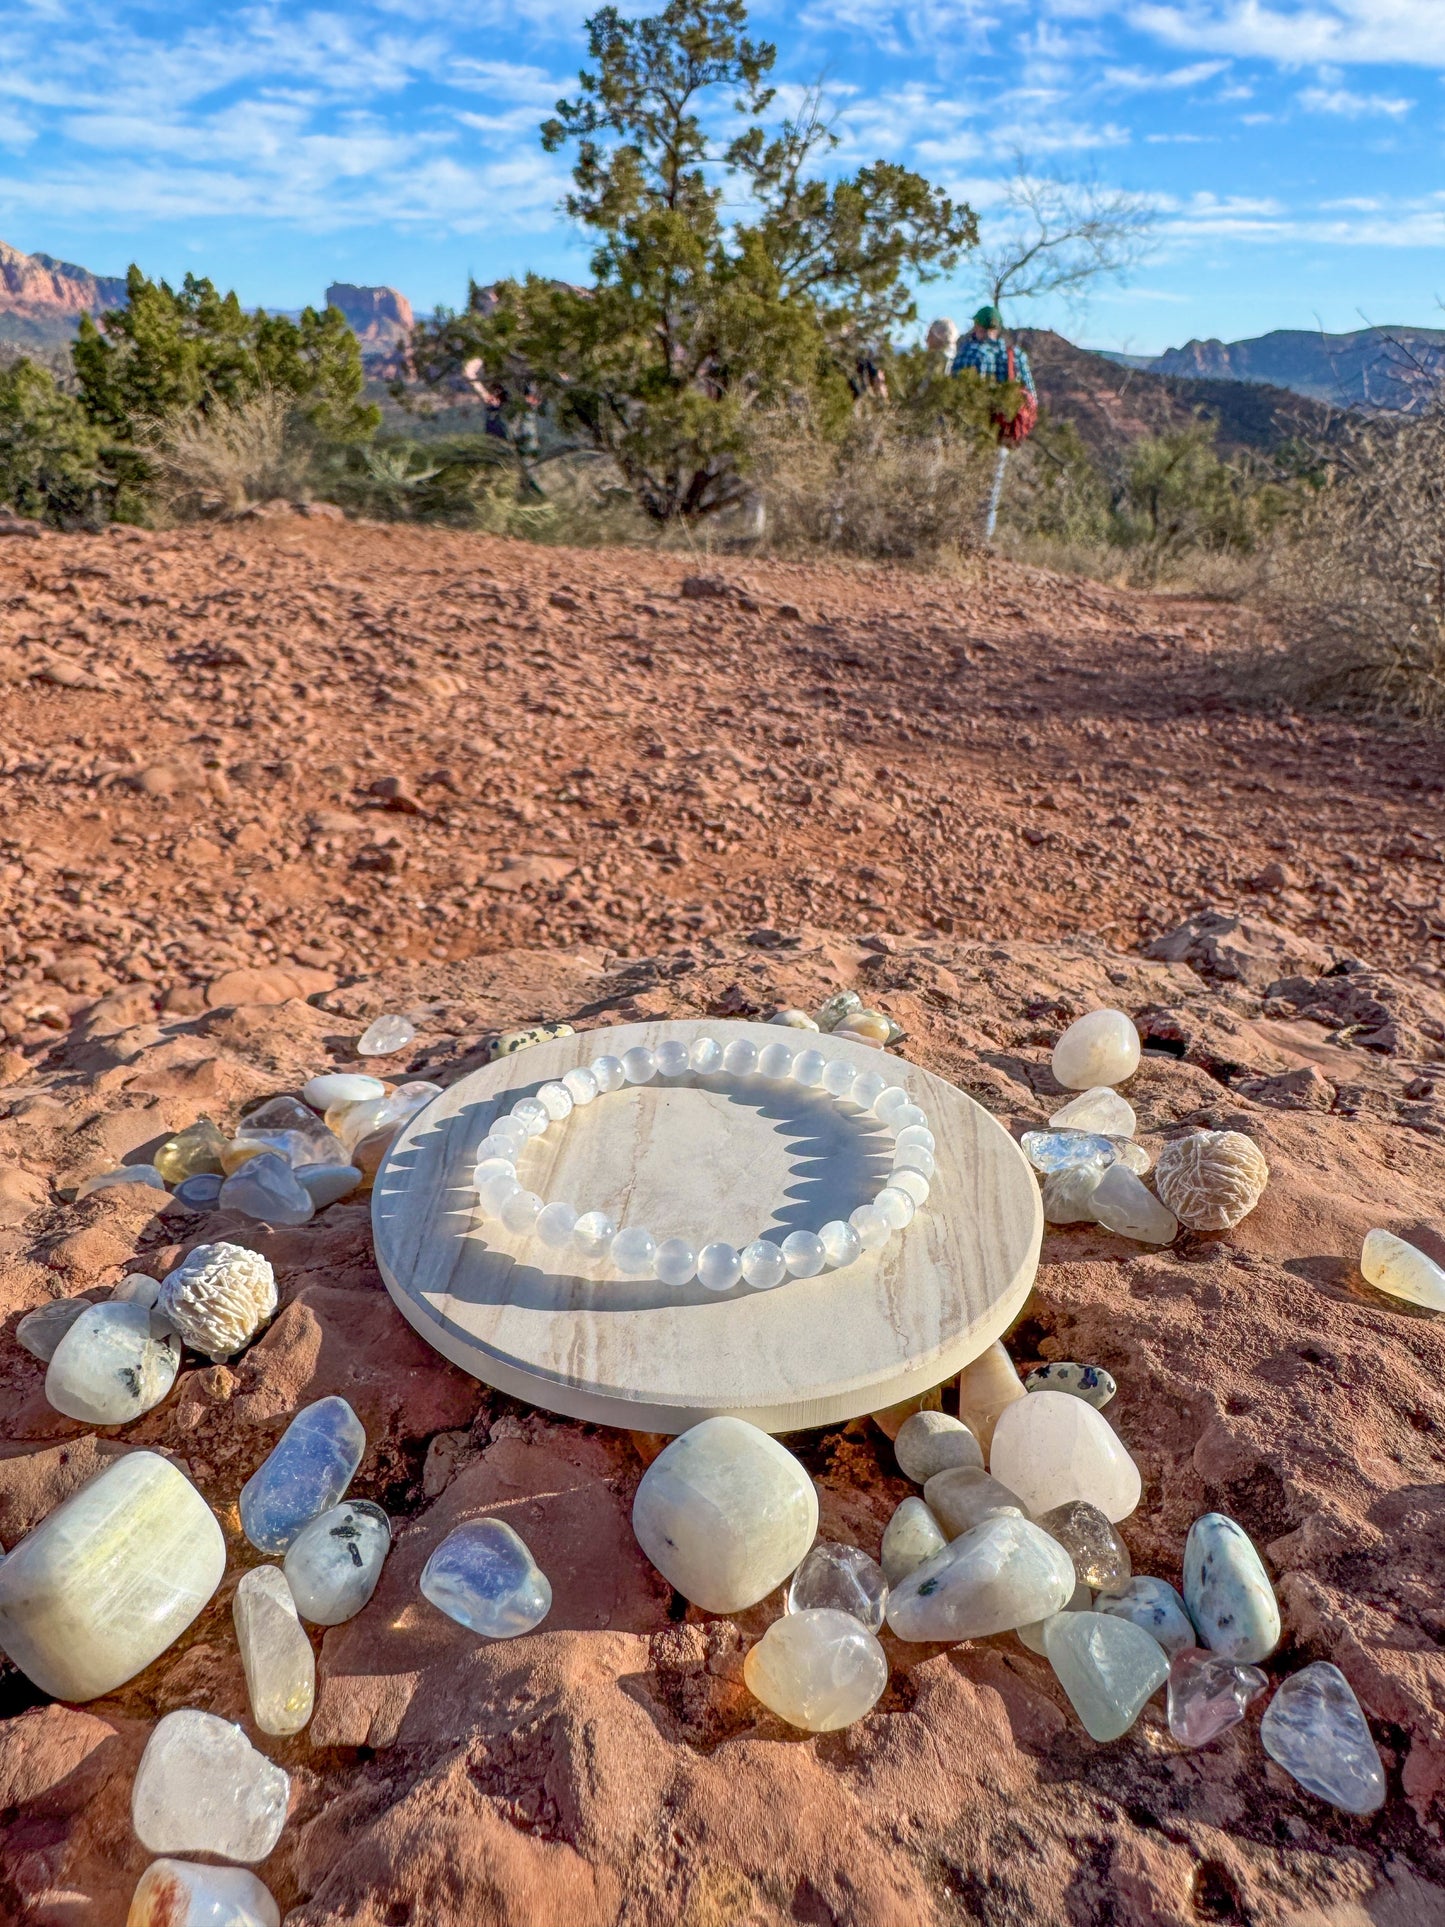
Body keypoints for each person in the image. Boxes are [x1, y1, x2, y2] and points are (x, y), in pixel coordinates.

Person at [950, 304, 1038, 540]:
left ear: (978, 326)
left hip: (972, 428)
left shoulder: (971, 352)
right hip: (1002, 431)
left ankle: (957, 533)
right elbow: (1032, 397)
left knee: (963, 480)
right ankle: (982, 538)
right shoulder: (1015, 355)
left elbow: (953, 390)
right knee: (991, 487)